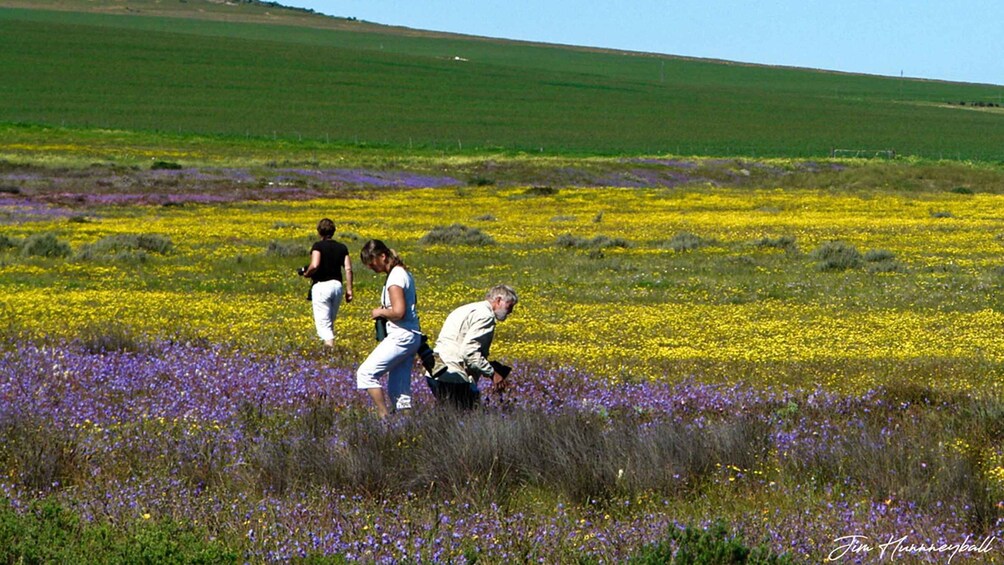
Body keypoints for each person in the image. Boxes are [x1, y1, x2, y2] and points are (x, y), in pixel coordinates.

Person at [356, 239, 422, 418]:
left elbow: (399, 312)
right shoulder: (402, 273)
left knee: (366, 373)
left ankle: (384, 417)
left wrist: (381, 312)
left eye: (372, 262)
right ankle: (406, 426)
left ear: (382, 256)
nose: (370, 267)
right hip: (411, 335)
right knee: (399, 391)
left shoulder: (395, 278)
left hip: (401, 335)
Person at [425, 284, 518, 410]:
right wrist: (493, 373)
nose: (510, 311)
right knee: (467, 414)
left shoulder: (466, 309)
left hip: (436, 369)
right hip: (454, 375)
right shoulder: (486, 316)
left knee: (446, 414)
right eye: (510, 306)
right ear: (498, 300)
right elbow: (469, 352)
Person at [300, 218, 353, 347]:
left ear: (319, 232)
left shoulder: (318, 246)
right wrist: (349, 289)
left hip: (322, 286)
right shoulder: (342, 248)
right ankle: (329, 350)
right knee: (330, 321)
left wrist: (306, 274)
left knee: (323, 323)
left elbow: (315, 265)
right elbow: (348, 268)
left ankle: (330, 352)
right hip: (337, 286)